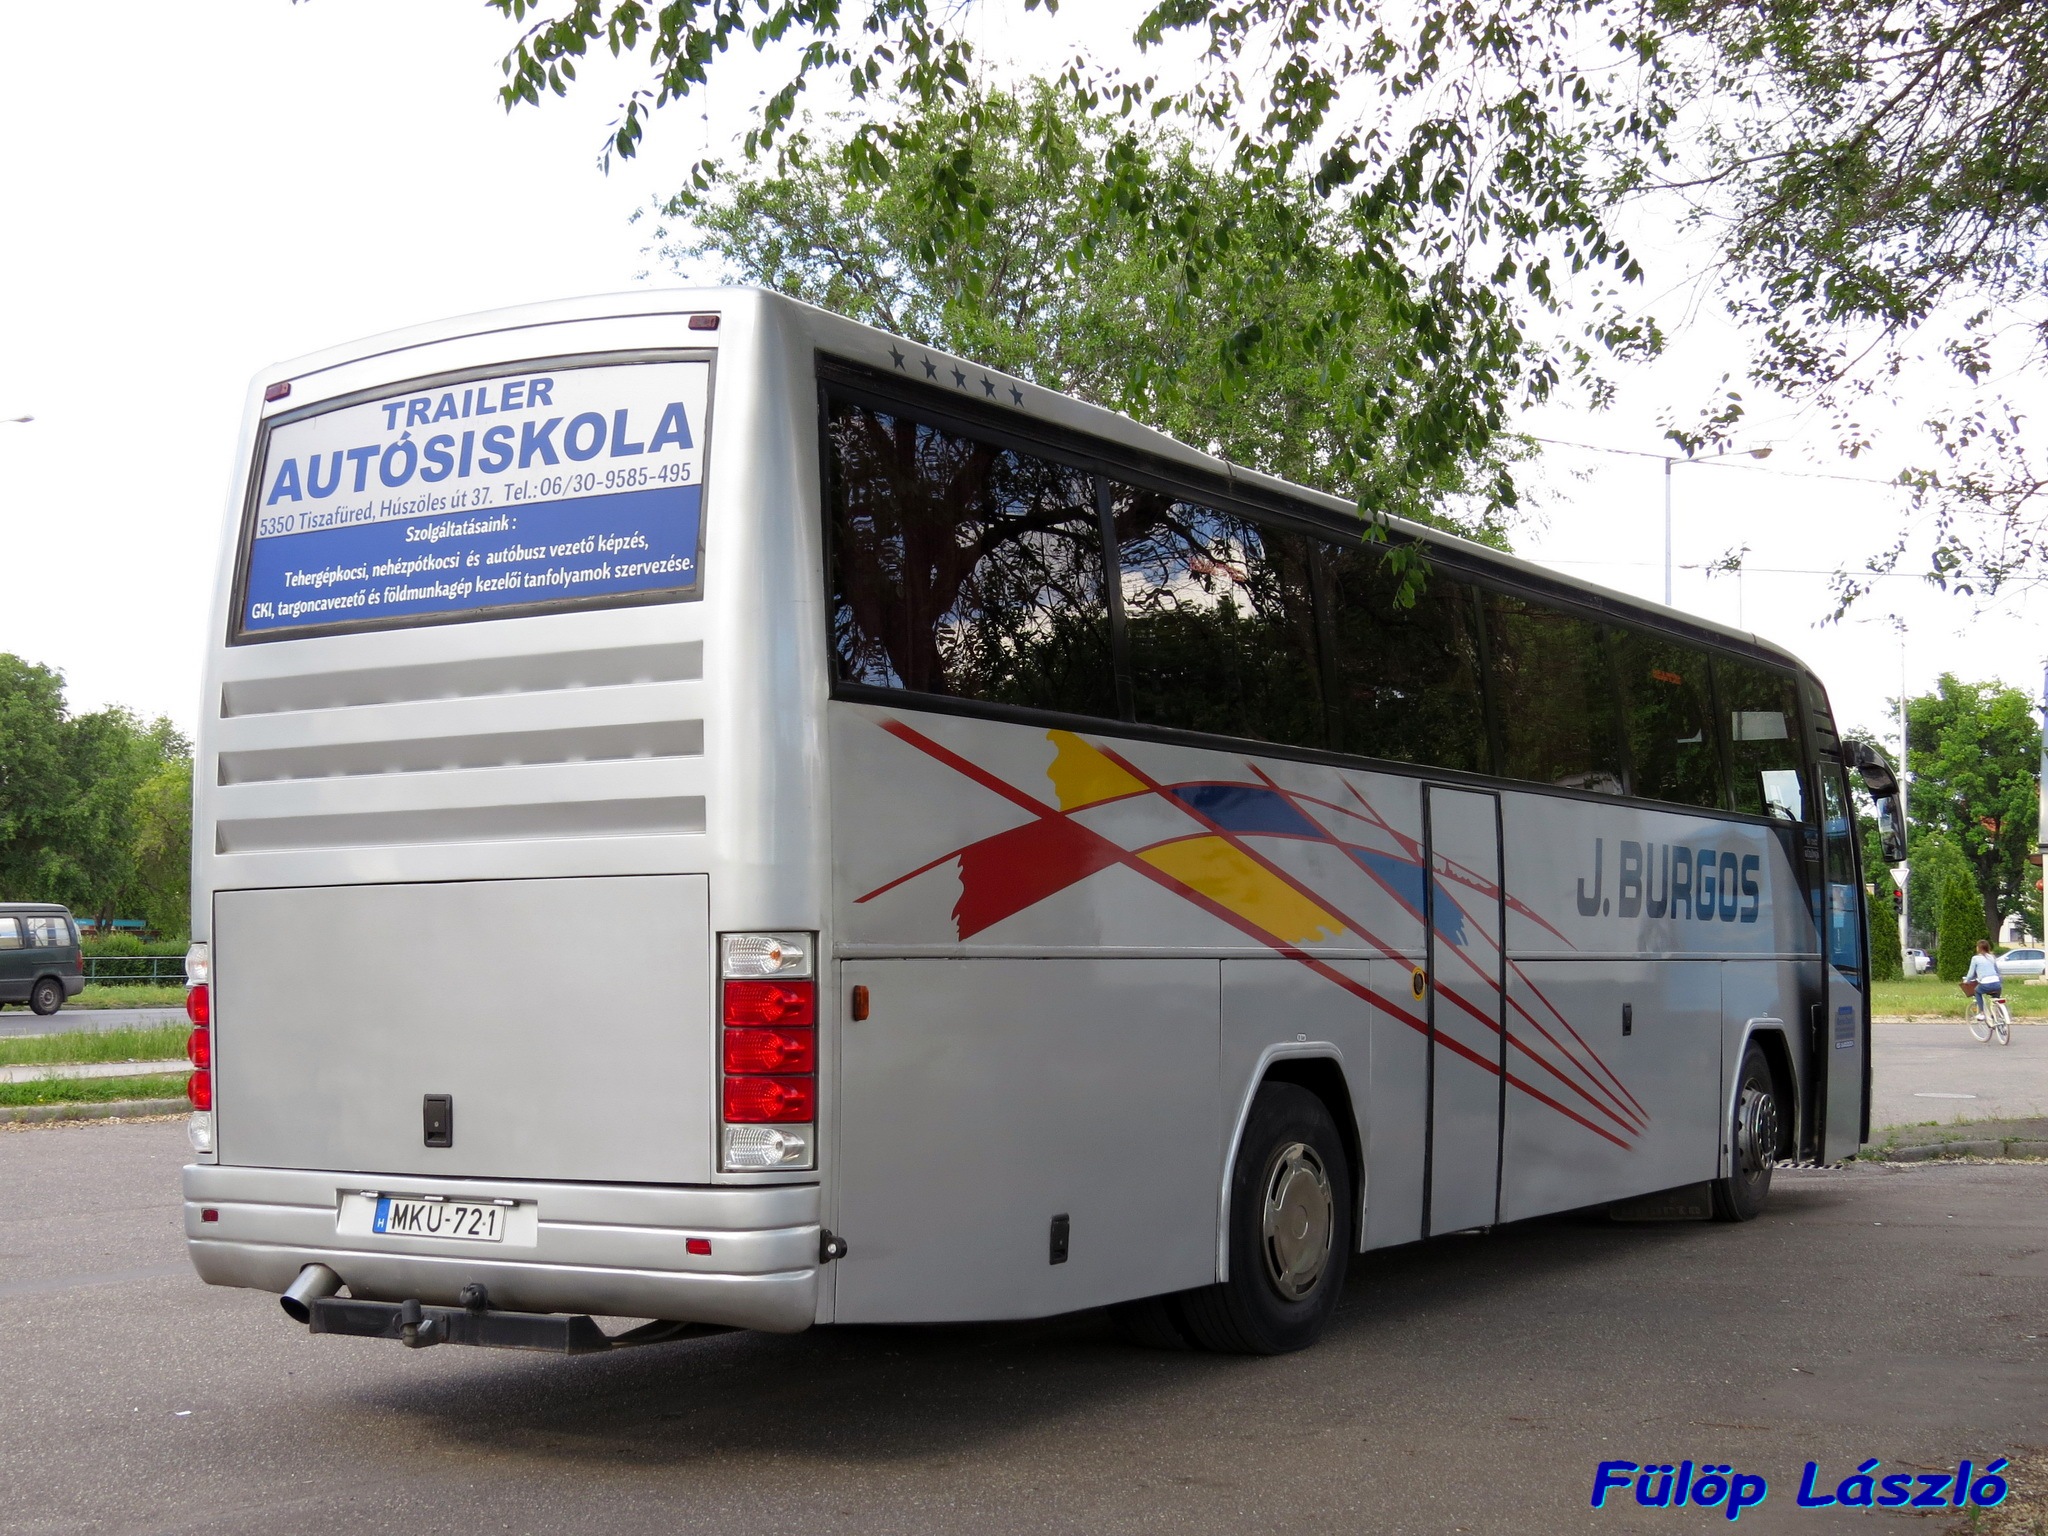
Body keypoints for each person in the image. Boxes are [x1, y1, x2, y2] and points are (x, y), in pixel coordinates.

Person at [1964, 940, 2004, 1023]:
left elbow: (1971, 974)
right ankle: (1997, 1014)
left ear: (1978, 948)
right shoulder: (1992, 957)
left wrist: (1967, 980)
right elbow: (1997, 971)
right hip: (1997, 984)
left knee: (1977, 991)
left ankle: (1982, 1013)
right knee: (1995, 999)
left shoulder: (1975, 958)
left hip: (1986, 984)